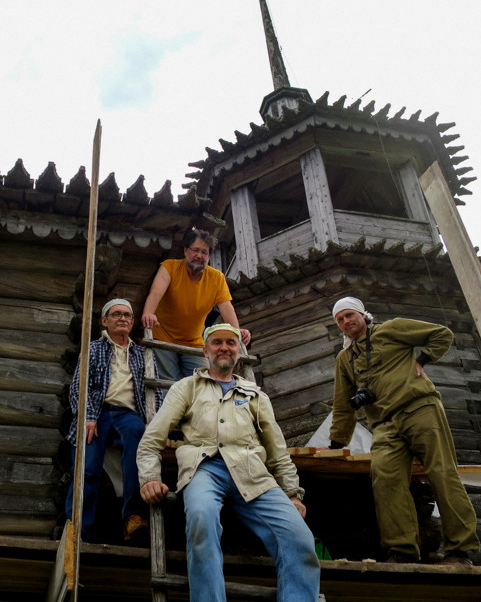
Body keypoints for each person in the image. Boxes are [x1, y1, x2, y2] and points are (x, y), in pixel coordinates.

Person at [137, 324, 321, 601]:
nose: (224, 347)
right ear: (205, 351)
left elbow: (277, 450)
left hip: (252, 473)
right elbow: (152, 439)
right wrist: (150, 478)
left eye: (231, 343)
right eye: (217, 342)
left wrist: (293, 493)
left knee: (300, 538)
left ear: (238, 351)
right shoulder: (186, 387)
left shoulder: (255, 394)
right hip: (204, 468)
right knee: (201, 519)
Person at [328, 296, 480, 565]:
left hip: (419, 408)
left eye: (349, 315)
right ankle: (402, 551)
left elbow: (441, 334)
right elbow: (343, 404)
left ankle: (459, 550)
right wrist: (336, 443)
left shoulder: (390, 329)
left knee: (442, 473)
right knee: (385, 480)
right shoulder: (345, 359)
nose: (346, 321)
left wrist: (422, 359)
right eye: (340, 319)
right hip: (384, 425)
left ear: (362, 314)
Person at [65, 298, 162, 543]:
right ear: (105, 321)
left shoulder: (143, 354)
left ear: (132, 322)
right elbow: (78, 387)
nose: (122, 318)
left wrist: (156, 424)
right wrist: (88, 416)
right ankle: (77, 530)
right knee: (87, 468)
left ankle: (134, 517)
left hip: (128, 414)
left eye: (127, 315)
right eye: (116, 314)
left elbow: (155, 392)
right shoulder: (93, 349)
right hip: (96, 413)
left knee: (138, 447)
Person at [141, 228, 251, 380]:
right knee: (168, 383)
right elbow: (156, 292)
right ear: (186, 250)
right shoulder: (170, 267)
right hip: (163, 336)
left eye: (204, 252)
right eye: (196, 250)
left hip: (194, 341)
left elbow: (226, 307)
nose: (199, 256)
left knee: (203, 382)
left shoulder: (216, 278)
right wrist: (148, 313)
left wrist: (237, 332)